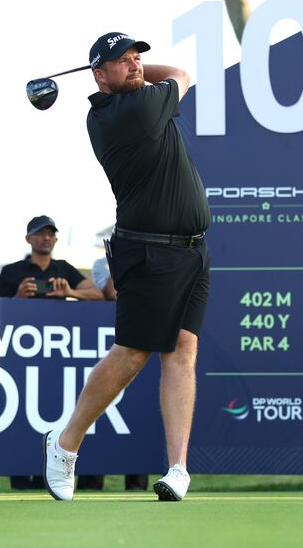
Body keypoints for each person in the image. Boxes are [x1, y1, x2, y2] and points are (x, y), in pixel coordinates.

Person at [43, 32, 209, 503]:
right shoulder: (122, 113)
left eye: (138, 58)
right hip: (149, 250)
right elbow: (181, 75)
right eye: (123, 61)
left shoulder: (138, 98)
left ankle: (178, 469)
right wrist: (135, 78)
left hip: (192, 250)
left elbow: (167, 78)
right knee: (133, 353)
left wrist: (127, 71)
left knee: (182, 350)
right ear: (99, 75)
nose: (136, 65)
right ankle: (65, 443)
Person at [0, 215, 102, 490]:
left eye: (50, 234)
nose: (46, 238)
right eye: (40, 233)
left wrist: (70, 291)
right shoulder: (11, 271)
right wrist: (19, 298)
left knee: (60, 411)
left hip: (58, 357)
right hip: (21, 358)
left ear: (55, 239)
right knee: (21, 419)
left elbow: (98, 295)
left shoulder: (64, 269)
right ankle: (22, 481)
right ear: (28, 238)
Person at [75, 256, 150, 493]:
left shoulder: (154, 259)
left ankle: (137, 485)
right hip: (111, 342)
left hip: (143, 337)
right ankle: (89, 483)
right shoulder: (102, 263)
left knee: (138, 415)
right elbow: (112, 293)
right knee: (96, 415)